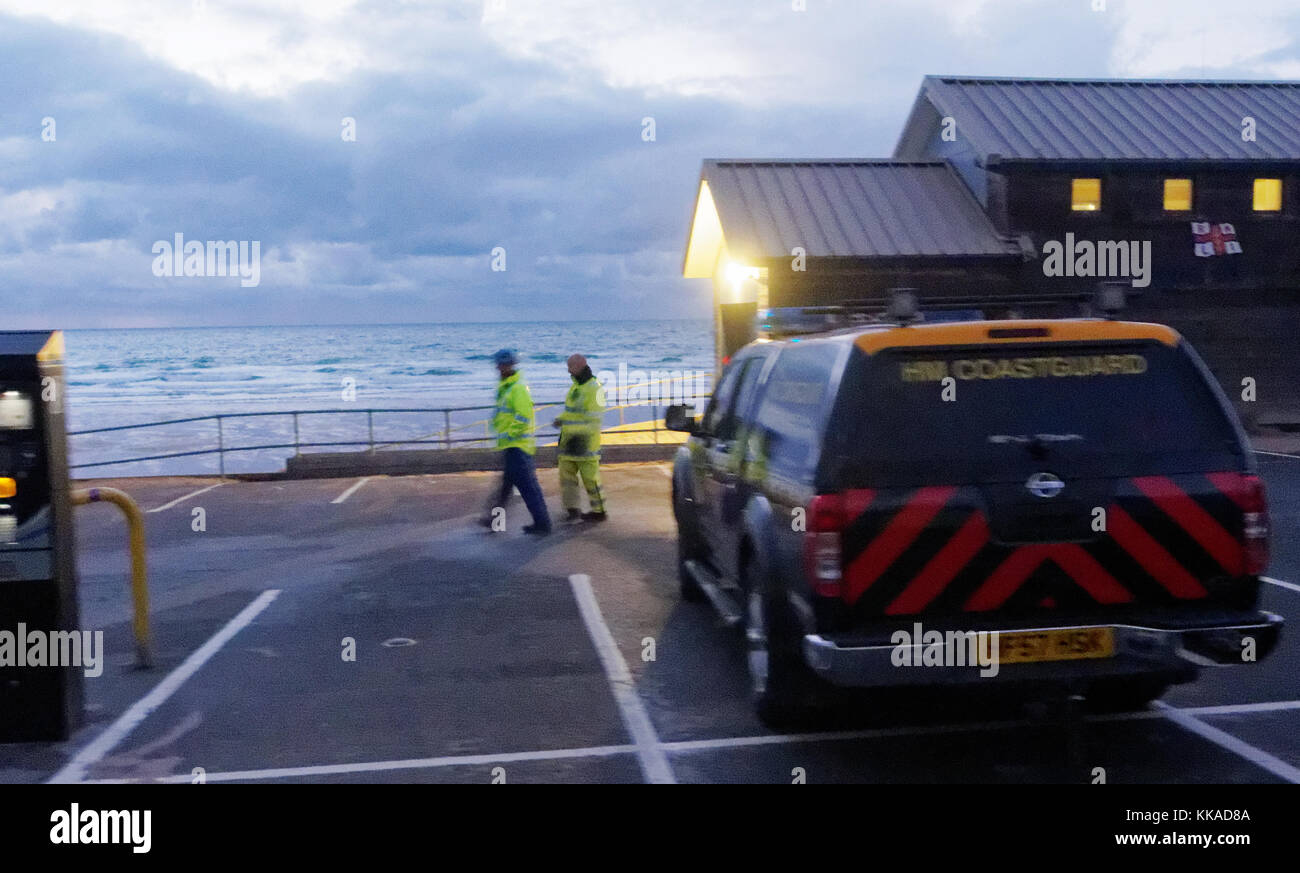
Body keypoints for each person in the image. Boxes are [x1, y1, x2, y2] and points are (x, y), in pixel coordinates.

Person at [481, 349, 552, 535]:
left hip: (517, 447)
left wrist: (510, 435)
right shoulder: (506, 387)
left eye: (500, 364)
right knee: (507, 488)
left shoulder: (517, 388)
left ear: (508, 365)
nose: (497, 368)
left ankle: (543, 524)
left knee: (527, 489)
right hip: (511, 447)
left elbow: (523, 416)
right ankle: (494, 522)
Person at [552, 353, 607, 523]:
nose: (568, 370)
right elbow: (572, 412)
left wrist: (578, 434)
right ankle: (572, 510)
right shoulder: (575, 387)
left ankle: (599, 511)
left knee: (591, 480)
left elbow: (594, 419)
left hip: (585, 444)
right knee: (567, 479)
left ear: (580, 366)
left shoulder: (594, 388)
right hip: (568, 442)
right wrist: (561, 420)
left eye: (570, 367)